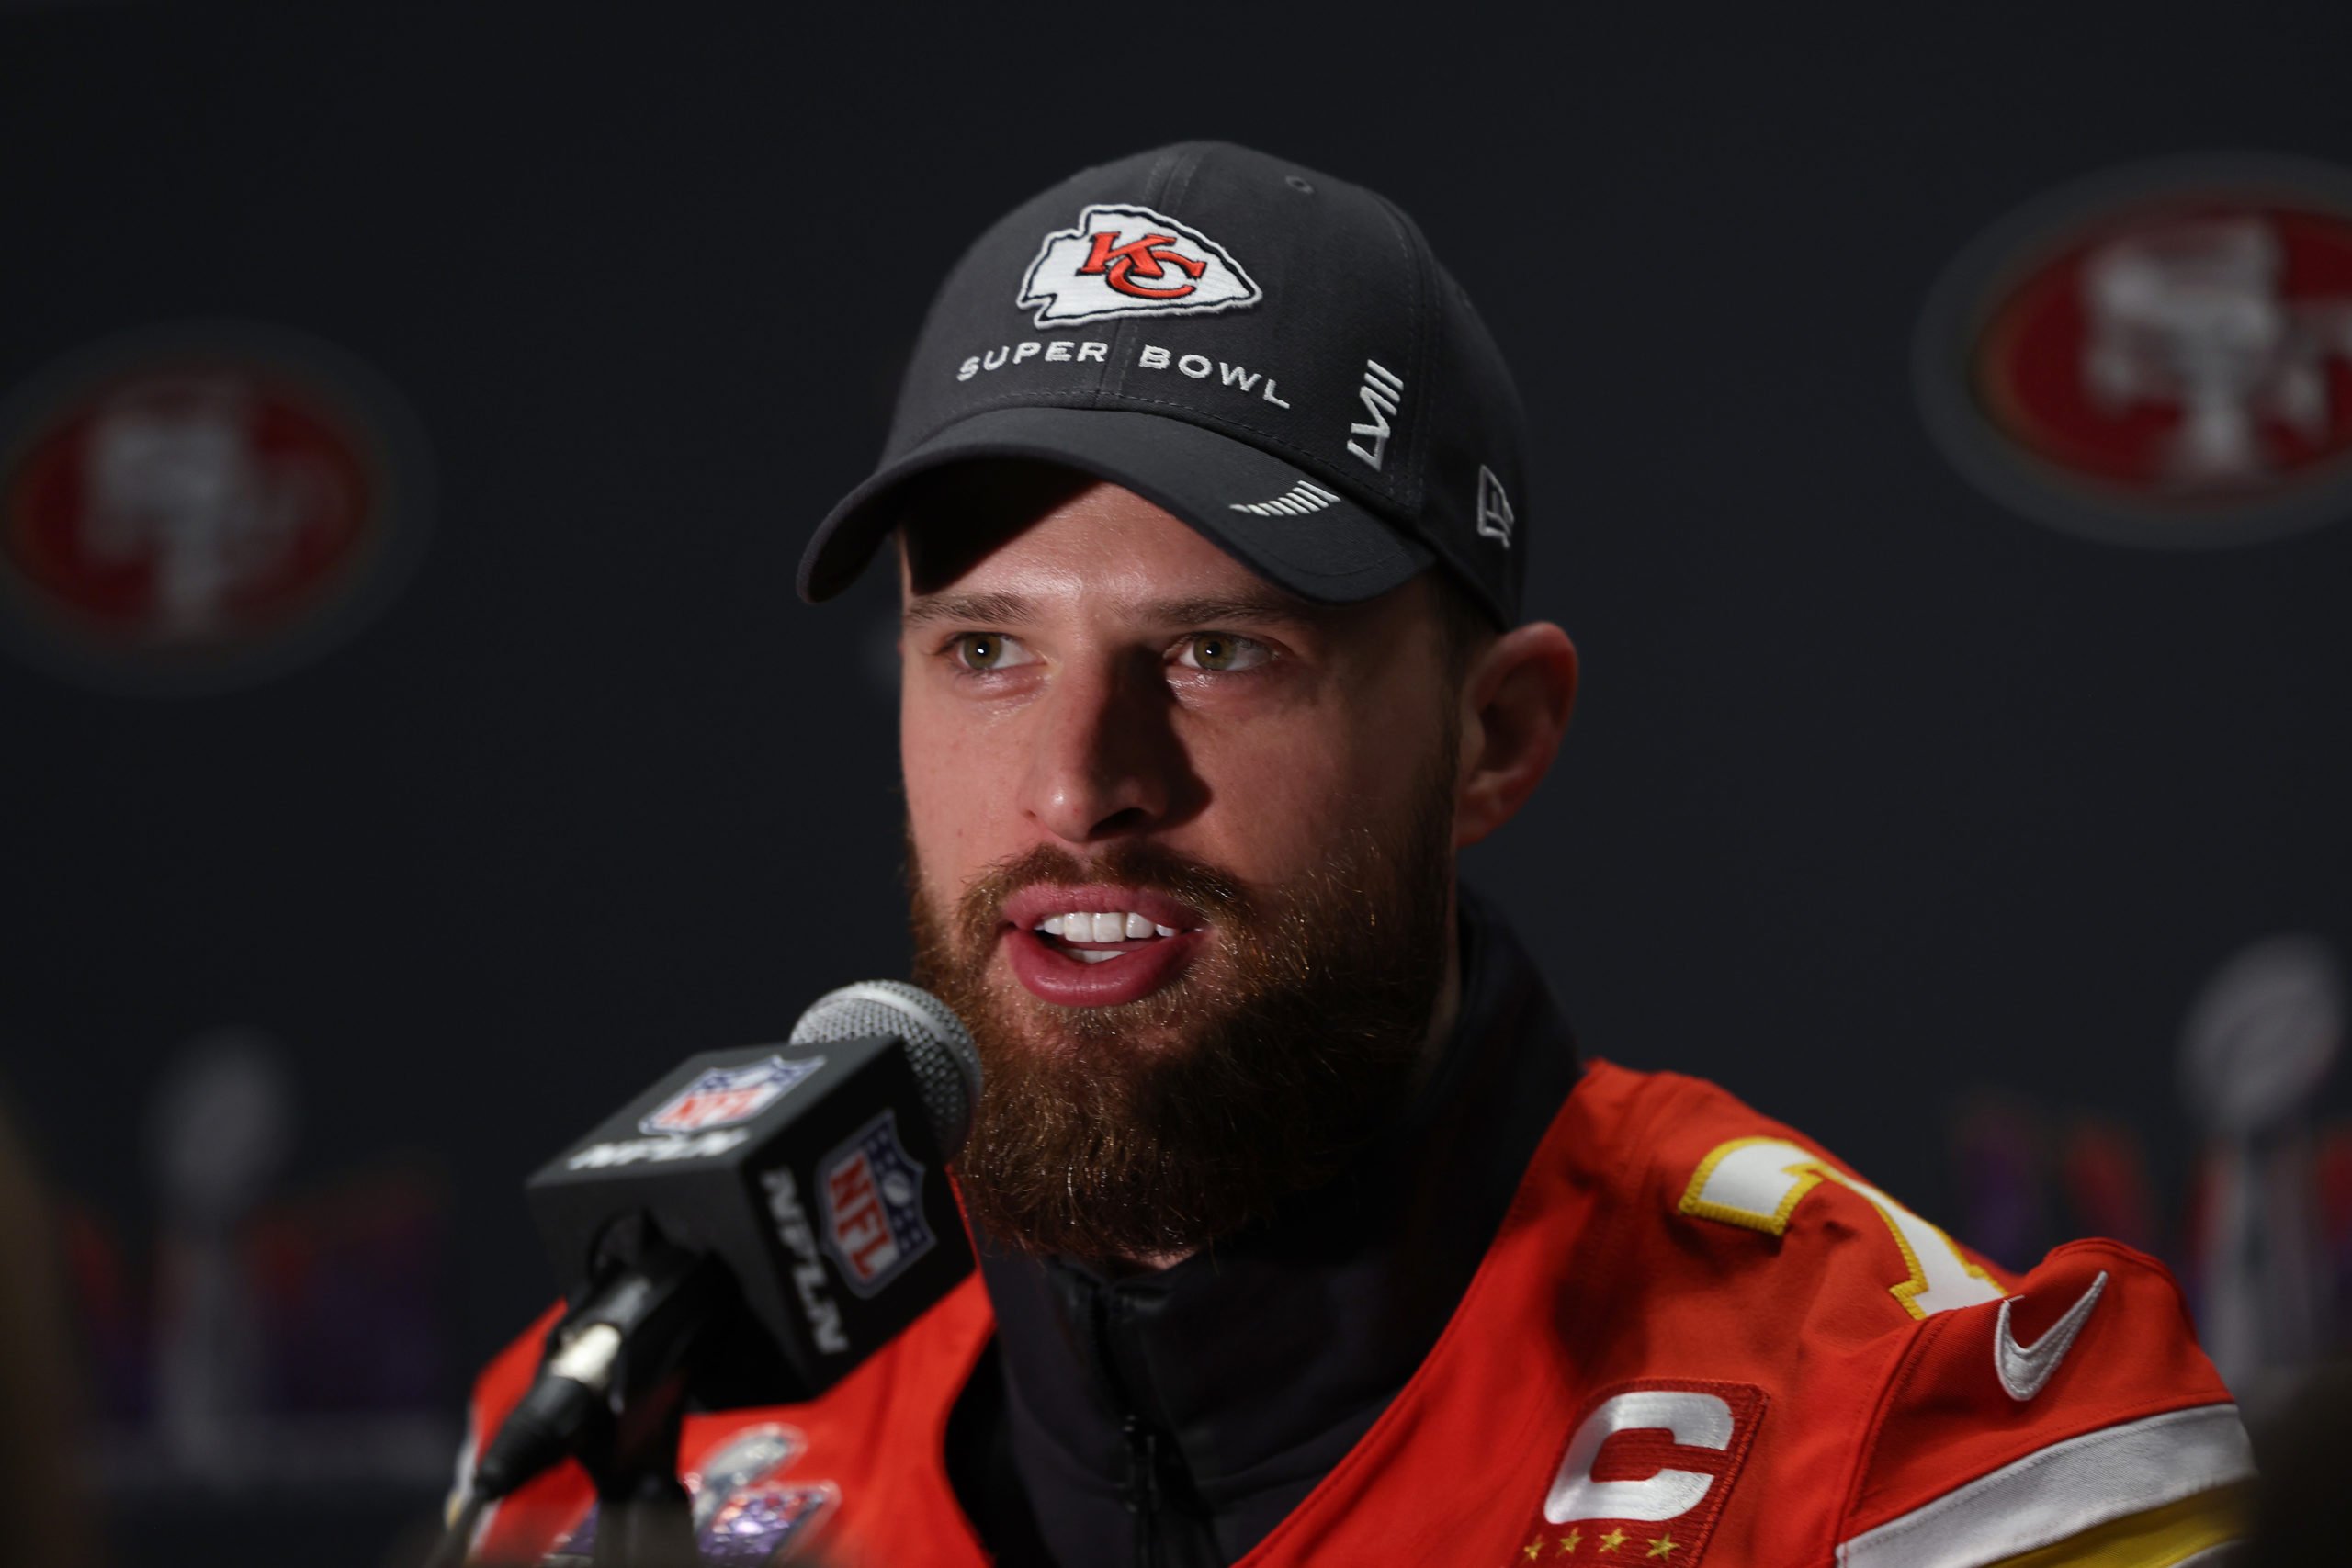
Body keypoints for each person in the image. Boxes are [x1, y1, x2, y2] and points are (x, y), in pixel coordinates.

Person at [460, 142, 2251, 1567]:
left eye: (1217, 650)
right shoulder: (636, 1430)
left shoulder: (1915, 1436)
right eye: (986, 649)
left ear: (1494, 736)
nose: (1078, 785)